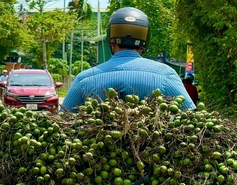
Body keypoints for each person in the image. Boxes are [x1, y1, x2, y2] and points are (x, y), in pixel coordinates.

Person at [62, 7, 196, 112]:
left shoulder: (84, 79)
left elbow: (64, 122)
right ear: (145, 41)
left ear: (111, 41)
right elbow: (191, 117)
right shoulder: (166, 75)